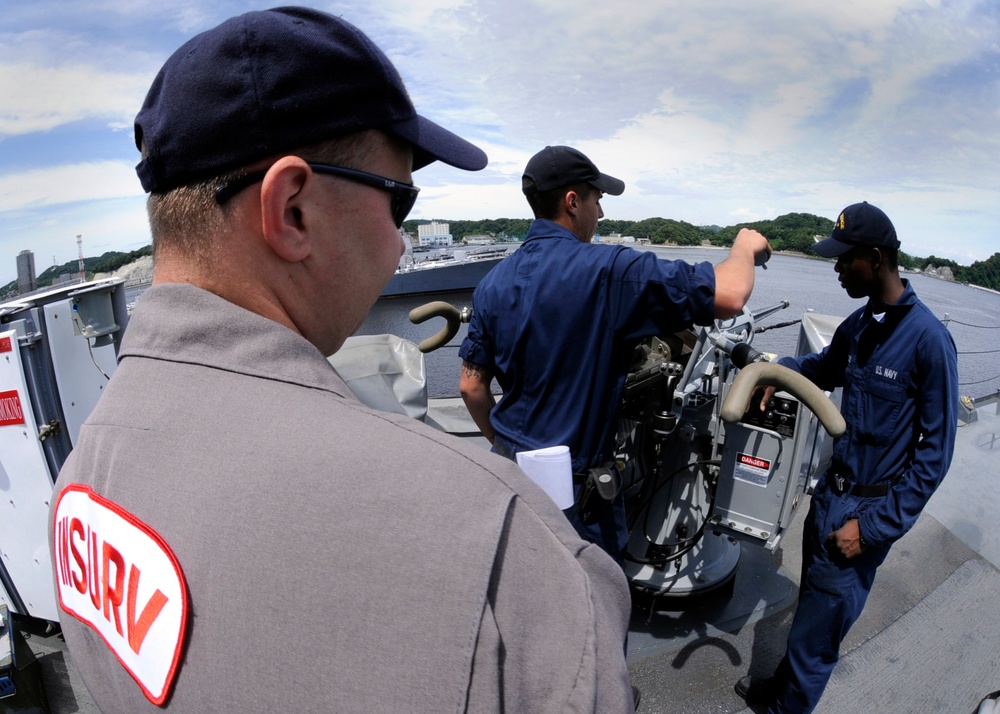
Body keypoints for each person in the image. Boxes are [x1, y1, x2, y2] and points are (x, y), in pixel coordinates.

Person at [48, 10, 635, 712]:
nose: (398, 248)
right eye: (399, 204)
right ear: (293, 210)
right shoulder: (498, 543)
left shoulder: (80, 479)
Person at [459, 145, 772, 564]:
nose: (601, 213)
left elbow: (471, 385)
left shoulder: (492, 283)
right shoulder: (610, 270)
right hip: (572, 494)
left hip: (507, 471)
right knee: (589, 602)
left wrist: (504, 444)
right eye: (597, 199)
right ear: (573, 201)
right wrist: (744, 247)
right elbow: (730, 294)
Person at [734, 201, 959, 713]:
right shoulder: (860, 325)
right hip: (828, 498)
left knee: (819, 637)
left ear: (875, 258)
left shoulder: (928, 340)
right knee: (812, 609)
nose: (835, 269)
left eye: (843, 260)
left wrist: (875, 527)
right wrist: (775, 373)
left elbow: (936, 455)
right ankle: (783, 690)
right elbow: (822, 367)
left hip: (864, 513)